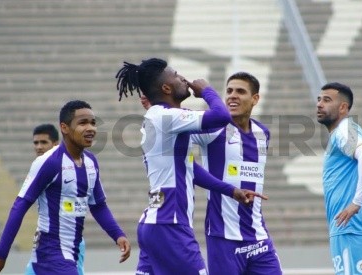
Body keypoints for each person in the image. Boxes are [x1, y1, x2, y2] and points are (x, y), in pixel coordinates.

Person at [116, 58, 266, 275]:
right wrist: (206, 91)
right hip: (170, 225)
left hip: (155, 224)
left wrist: (231, 190)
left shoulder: (162, 117)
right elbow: (221, 116)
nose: (183, 79)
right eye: (176, 75)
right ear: (166, 88)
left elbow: (190, 169)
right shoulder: (166, 117)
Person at [0, 100, 130, 275]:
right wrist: (1, 253)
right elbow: (20, 206)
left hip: (73, 251)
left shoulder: (91, 162)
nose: (90, 128)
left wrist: (118, 235)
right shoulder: (49, 162)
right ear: (64, 128)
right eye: (83, 123)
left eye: (93, 123)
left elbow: (98, 205)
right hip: (50, 252)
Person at [190, 72, 282, 274]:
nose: (232, 95)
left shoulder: (262, 133)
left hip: (258, 236)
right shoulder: (212, 128)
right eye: (229, 91)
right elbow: (177, 127)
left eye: (240, 91)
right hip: (223, 237)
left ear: (255, 99)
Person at [316, 82, 362, 275]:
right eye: (319, 99)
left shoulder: (346, 129)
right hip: (351, 229)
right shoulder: (342, 133)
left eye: (327, 100)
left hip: (352, 228)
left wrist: (356, 203)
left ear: (343, 107)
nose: (319, 104)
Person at [25, 123, 86, 275]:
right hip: (45, 241)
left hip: (68, 240)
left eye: (43, 142)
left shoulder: (68, 169)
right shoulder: (39, 167)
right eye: (36, 143)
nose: (39, 147)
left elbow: (77, 204)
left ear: (55, 144)